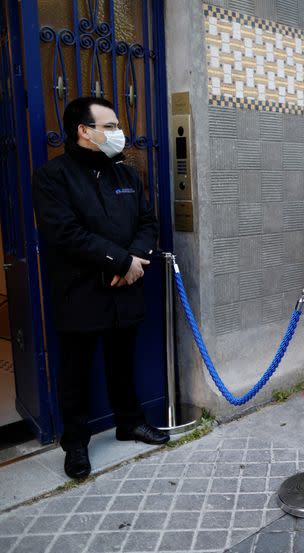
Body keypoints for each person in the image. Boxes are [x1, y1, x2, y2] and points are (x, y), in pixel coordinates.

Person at [32, 97, 169, 480]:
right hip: (81, 291)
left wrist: (136, 259)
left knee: (122, 361)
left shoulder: (125, 174)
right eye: (109, 126)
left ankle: (130, 422)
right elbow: (65, 233)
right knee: (75, 371)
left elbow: (147, 221)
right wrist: (119, 261)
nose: (117, 133)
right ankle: (75, 443)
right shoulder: (52, 177)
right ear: (83, 131)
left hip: (126, 288)